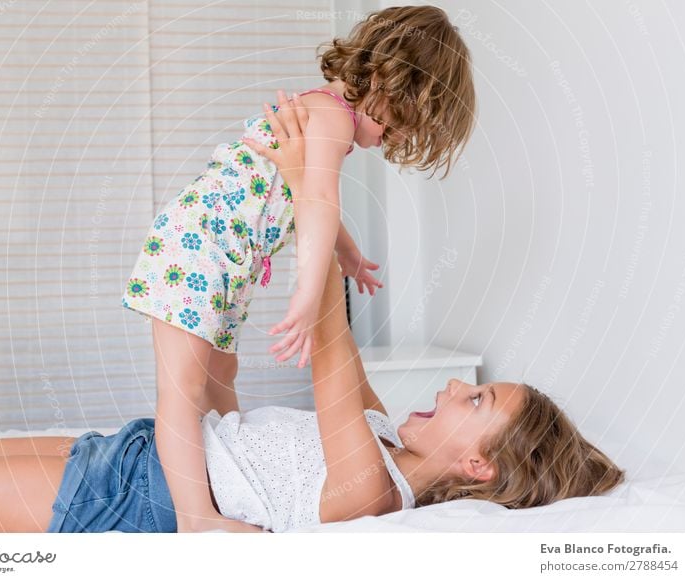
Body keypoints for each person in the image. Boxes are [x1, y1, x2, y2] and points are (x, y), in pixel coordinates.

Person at [0, 90, 624, 534]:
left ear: (475, 465)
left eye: (475, 398)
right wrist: (316, 208)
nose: (450, 388)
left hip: (132, 499)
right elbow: (342, 379)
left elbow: (332, 351)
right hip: (139, 453)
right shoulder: (380, 437)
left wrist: (306, 183)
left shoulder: (372, 491)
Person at [120, 5, 478, 532]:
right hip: (194, 251)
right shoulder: (331, 115)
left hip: (226, 260)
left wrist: (348, 254)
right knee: (182, 388)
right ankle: (196, 517)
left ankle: (227, 472)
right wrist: (309, 296)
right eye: (399, 124)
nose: (394, 139)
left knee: (222, 374)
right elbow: (315, 202)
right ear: (385, 84)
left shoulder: (328, 117)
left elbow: (314, 197)